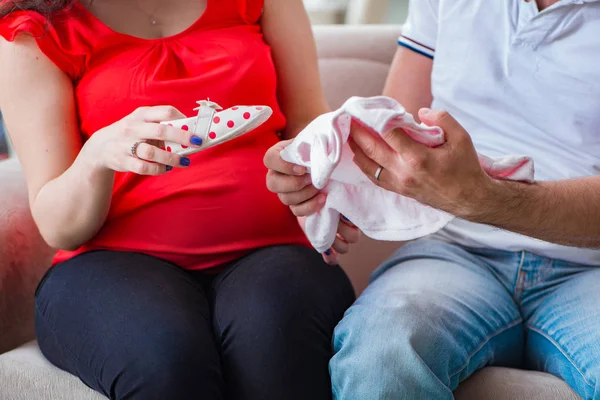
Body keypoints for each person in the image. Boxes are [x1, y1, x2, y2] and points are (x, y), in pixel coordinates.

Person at [0, 0, 359, 399]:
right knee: (167, 360)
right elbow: (58, 226)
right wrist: (97, 156)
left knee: (274, 341)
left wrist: (323, 178)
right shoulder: (34, 32)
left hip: (275, 253)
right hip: (109, 267)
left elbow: (309, 122)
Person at [264, 0, 600, 398]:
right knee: (381, 356)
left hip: (589, 266)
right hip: (452, 250)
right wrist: (324, 177)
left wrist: (485, 198)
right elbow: (395, 132)